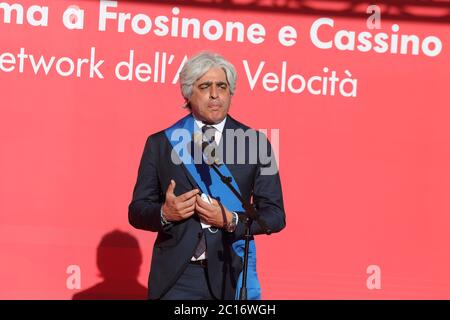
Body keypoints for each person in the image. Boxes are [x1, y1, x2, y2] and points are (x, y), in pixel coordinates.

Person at [128, 51, 285, 300]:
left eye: (222, 86)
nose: (215, 94)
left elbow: (275, 216)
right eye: (205, 86)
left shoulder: (256, 144)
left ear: (230, 92)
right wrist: (164, 214)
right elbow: (137, 211)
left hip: (231, 272)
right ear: (189, 93)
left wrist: (231, 220)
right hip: (178, 277)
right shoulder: (160, 143)